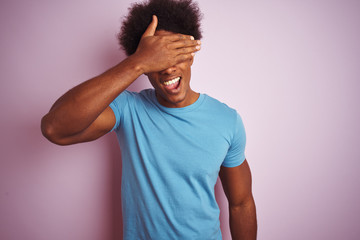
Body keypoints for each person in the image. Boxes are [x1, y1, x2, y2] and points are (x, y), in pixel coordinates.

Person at [41, 0, 257, 239]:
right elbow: (54, 128)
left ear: (191, 54)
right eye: (157, 60)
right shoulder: (128, 109)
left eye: (174, 55)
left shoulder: (227, 120)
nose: (167, 69)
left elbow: (241, 203)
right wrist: (137, 62)